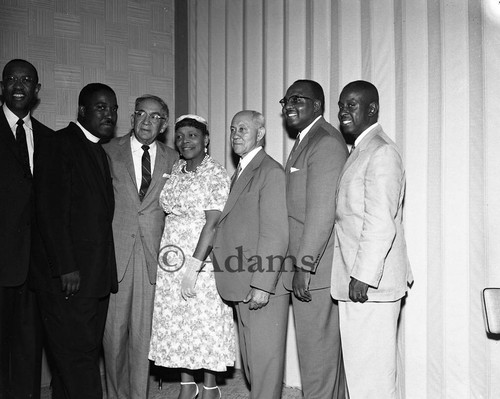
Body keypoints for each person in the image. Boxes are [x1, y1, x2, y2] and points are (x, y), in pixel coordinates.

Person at [31, 83, 119, 398]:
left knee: (76, 357)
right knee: (79, 360)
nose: (109, 114)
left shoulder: (97, 149)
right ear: (81, 110)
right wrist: (66, 266)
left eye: (113, 108)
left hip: (94, 278)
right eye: (101, 107)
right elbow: (50, 211)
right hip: (70, 278)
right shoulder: (60, 143)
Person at [331, 80, 413, 398]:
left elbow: (380, 223)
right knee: (362, 374)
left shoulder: (381, 152)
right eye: (341, 106)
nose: (343, 112)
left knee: (373, 380)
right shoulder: (363, 149)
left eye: (351, 105)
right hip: (360, 281)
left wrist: (362, 275)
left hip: (369, 286)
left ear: (371, 109)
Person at [149, 114, 235, 399]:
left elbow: (211, 224)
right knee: (178, 322)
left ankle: (210, 387)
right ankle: (188, 385)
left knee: (204, 321)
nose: (185, 142)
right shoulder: (176, 169)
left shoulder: (215, 173)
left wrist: (194, 268)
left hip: (202, 257)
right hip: (171, 257)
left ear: (206, 139)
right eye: (181, 136)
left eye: (192, 136)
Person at [102, 95, 179, 399]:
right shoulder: (108, 151)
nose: (147, 121)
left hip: (152, 260)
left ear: (164, 124)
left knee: (144, 339)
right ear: (132, 117)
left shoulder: (174, 159)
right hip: (116, 256)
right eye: (141, 114)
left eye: (156, 116)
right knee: (114, 338)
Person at [212, 110, 289, 399]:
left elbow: (275, 232)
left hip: (260, 283)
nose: (235, 134)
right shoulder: (241, 171)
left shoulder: (269, 171)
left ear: (260, 134)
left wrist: (261, 284)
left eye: (243, 129)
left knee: (265, 367)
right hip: (241, 282)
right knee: (253, 365)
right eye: (232, 129)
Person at [281, 79, 348, 398]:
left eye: (298, 99)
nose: (289, 105)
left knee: (317, 359)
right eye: (285, 101)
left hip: (315, 270)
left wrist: (304, 267)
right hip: (309, 266)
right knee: (319, 358)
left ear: (318, 105)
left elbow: (322, 213)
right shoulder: (306, 139)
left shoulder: (324, 142)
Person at [0, 58, 52, 399]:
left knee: (29, 353)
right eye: (12, 78)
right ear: (2, 86)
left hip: (36, 269)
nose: (19, 84)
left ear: (36, 90)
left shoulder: (49, 138)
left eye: (27, 79)